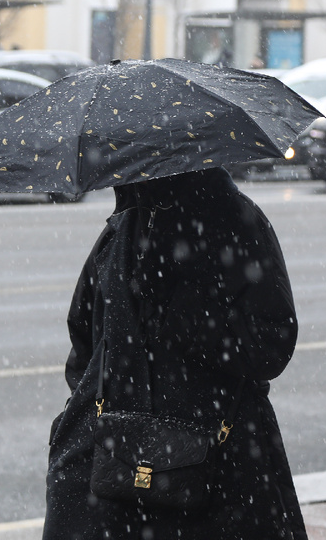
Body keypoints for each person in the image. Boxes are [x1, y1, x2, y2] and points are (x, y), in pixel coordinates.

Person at [43, 168, 307, 540]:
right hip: (157, 464)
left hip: (206, 463)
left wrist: (180, 312)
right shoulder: (125, 229)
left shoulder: (227, 224)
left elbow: (269, 346)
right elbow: (87, 342)